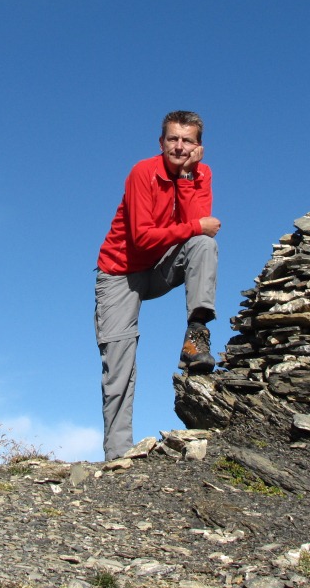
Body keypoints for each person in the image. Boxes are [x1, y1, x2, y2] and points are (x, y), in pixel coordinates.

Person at [94, 110, 221, 461]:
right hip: (120, 273)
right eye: (173, 139)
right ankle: (118, 454)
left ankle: (196, 336)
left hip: (159, 268)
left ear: (198, 146)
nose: (179, 147)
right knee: (119, 359)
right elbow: (142, 237)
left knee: (204, 246)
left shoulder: (200, 173)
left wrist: (188, 177)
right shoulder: (142, 172)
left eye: (187, 140)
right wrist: (196, 225)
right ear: (161, 142)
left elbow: (197, 228)